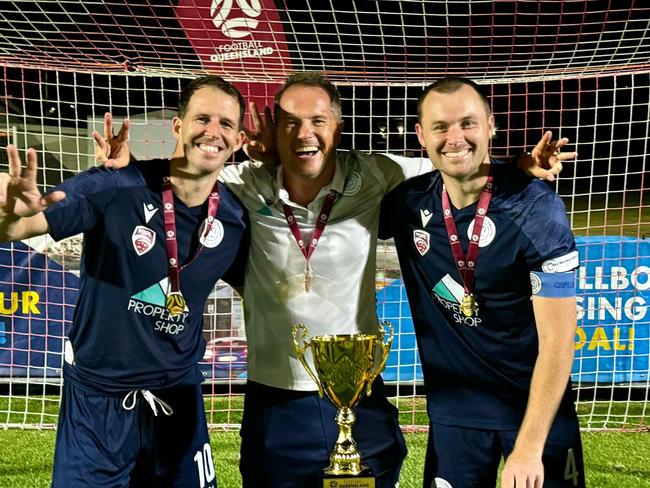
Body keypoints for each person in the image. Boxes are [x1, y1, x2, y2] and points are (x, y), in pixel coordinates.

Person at [96, 72, 571, 488]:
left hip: (360, 397)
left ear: (338, 127)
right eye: (291, 124)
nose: (306, 134)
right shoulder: (242, 183)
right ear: (271, 132)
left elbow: (463, 168)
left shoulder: (380, 175)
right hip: (273, 400)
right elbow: (188, 179)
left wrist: (521, 171)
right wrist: (130, 172)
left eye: (318, 121)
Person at [0, 75, 249, 487]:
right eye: (202, 118)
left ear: (238, 140)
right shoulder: (116, 183)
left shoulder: (235, 219)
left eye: (225, 124)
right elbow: (27, 221)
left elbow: (261, 290)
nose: (213, 132)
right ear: (177, 126)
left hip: (179, 399)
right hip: (97, 402)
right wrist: (12, 216)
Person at [379, 77, 585, 488]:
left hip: (536, 418)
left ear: (490, 126)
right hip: (455, 417)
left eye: (468, 123)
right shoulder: (407, 203)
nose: (455, 138)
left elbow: (559, 344)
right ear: (421, 135)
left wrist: (528, 448)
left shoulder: (538, 214)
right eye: (440, 127)